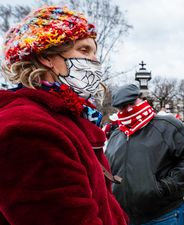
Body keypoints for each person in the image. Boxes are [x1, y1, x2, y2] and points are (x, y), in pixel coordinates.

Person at [0, 5, 127, 224]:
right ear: (46, 57)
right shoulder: (27, 128)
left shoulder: (69, 117)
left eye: (95, 51)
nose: (95, 60)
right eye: (84, 50)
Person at [105, 84, 184, 225]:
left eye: (132, 103)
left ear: (141, 99)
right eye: (122, 107)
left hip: (164, 215)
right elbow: (110, 169)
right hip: (126, 217)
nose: (129, 110)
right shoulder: (116, 136)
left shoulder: (167, 126)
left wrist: (165, 186)